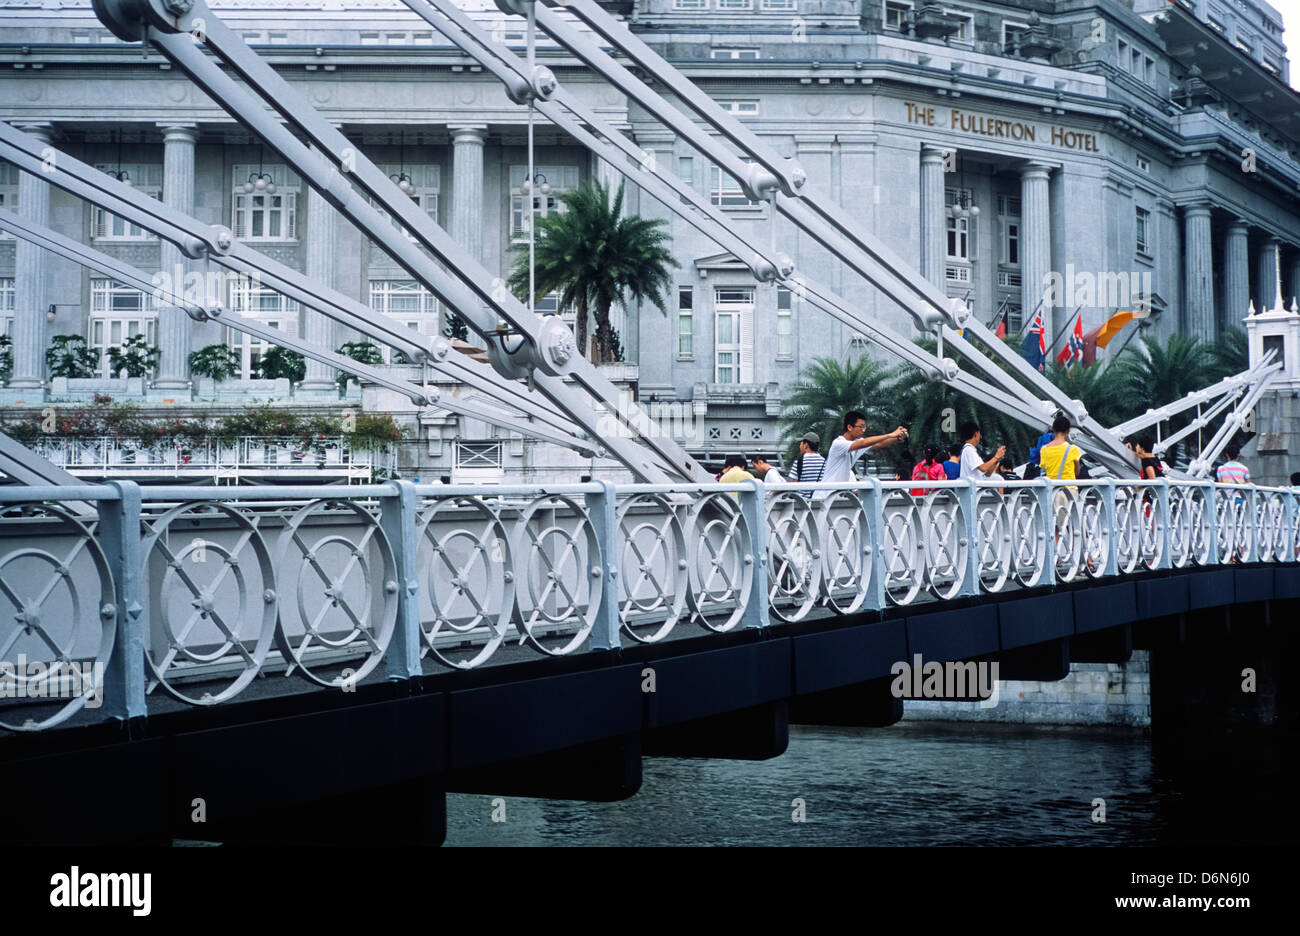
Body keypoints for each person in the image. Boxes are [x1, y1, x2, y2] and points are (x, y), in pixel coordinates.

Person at [817, 411, 907, 498]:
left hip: (837, 496)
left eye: (864, 427)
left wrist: (897, 438)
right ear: (849, 427)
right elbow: (863, 443)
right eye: (861, 427)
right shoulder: (839, 443)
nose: (863, 430)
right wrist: (890, 434)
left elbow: (879, 443)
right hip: (824, 496)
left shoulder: (856, 443)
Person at [1038, 415, 1083, 481]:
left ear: (1053, 429)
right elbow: (1077, 472)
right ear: (1068, 431)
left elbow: (1044, 470)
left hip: (1053, 489)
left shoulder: (1044, 449)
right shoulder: (1073, 449)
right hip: (1069, 488)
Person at [790, 431, 825, 498]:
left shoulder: (799, 462)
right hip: (818, 501)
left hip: (802, 503)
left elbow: (793, 486)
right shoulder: (824, 462)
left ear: (806, 445)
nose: (800, 445)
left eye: (802, 443)